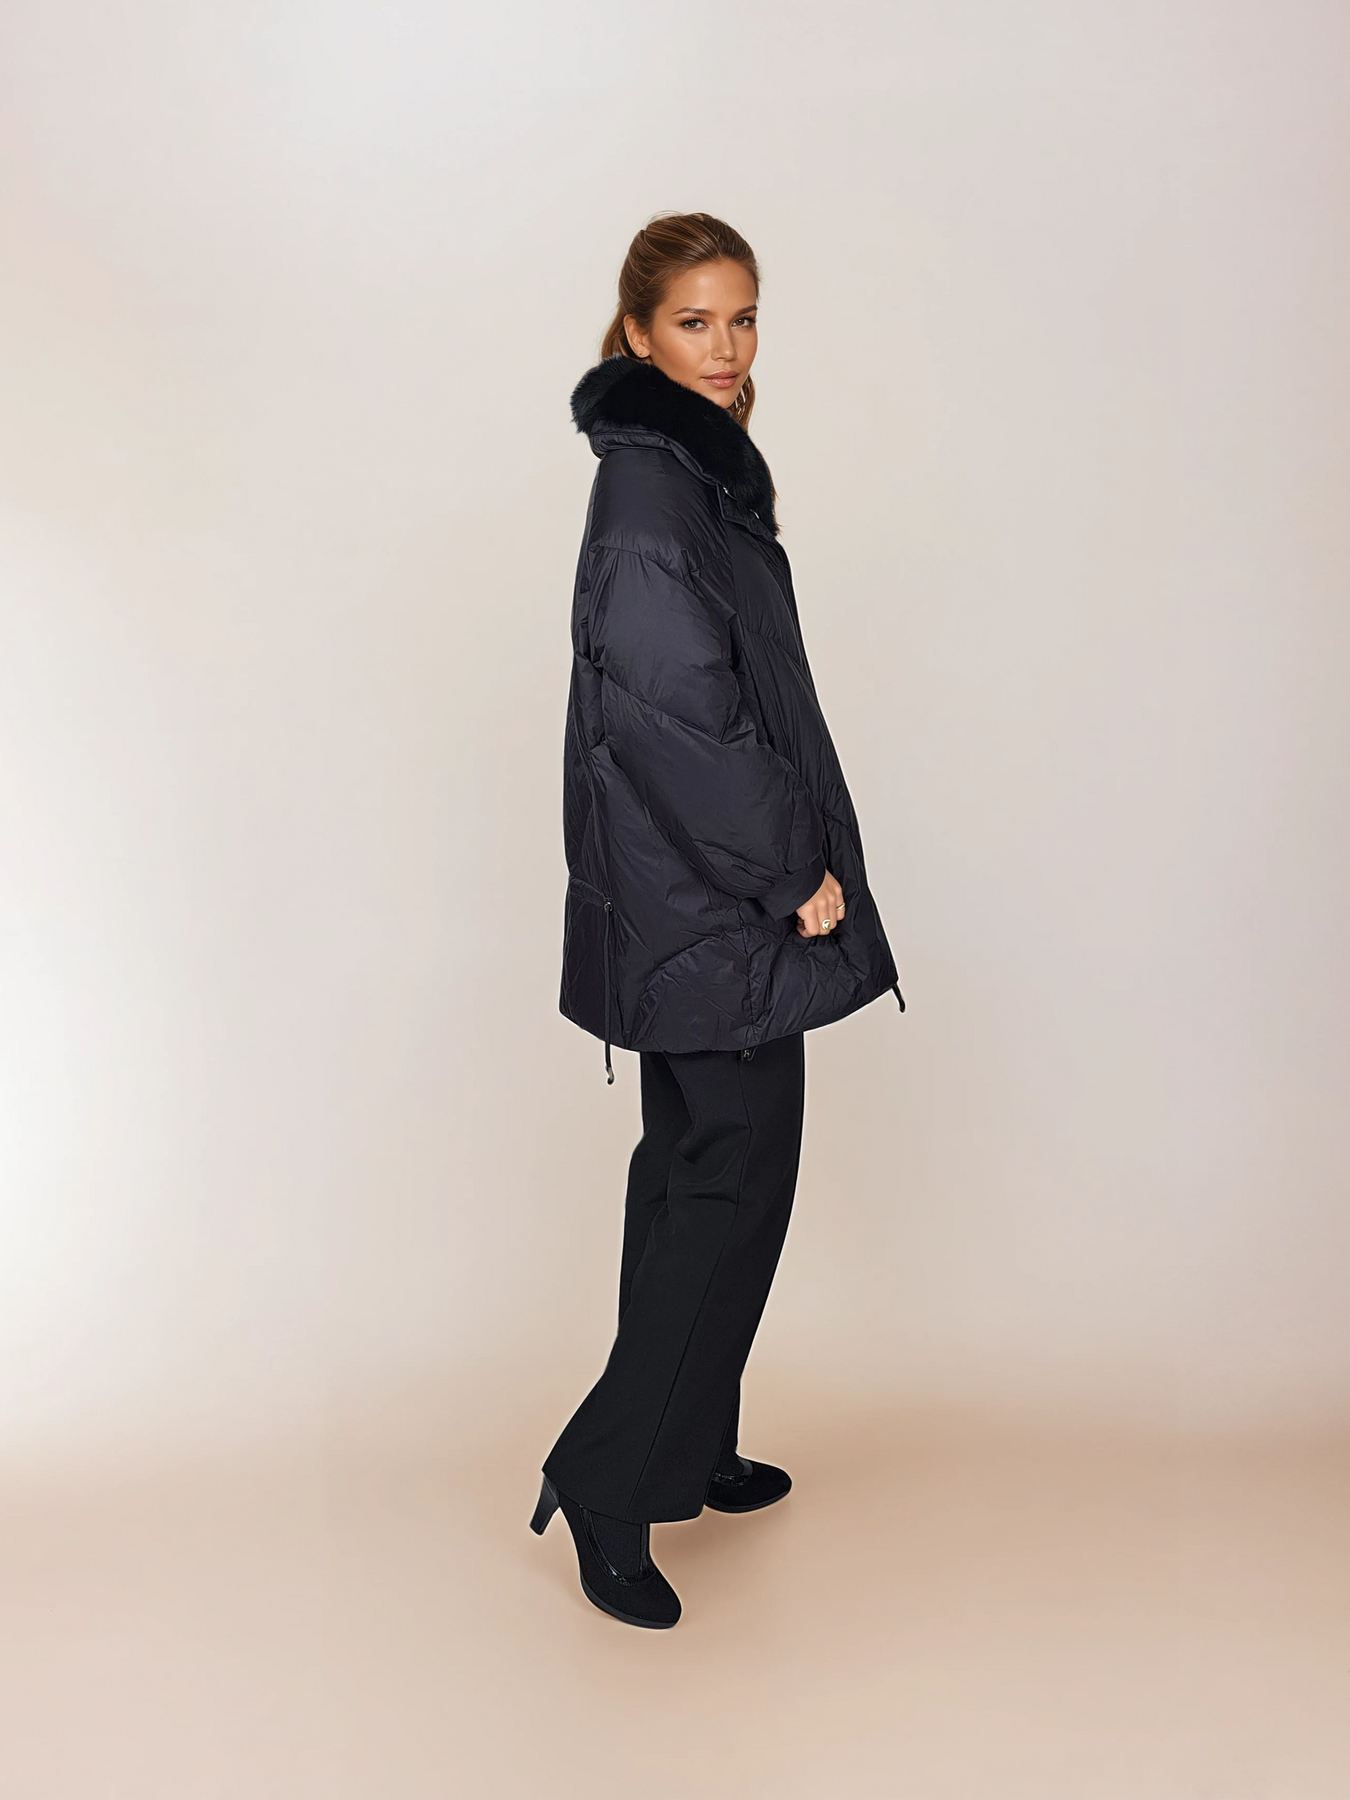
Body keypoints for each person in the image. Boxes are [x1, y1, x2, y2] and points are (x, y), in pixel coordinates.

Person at [531, 212, 903, 1628]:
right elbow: (680, 723)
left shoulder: (691, 476)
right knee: (724, 1190)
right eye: (694, 322)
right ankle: (609, 1482)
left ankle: (685, 1444)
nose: (727, 347)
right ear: (637, 333)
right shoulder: (653, 494)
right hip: (712, 905)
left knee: (699, 1179)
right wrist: (789, 871)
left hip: (693, 905)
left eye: (742, 318)